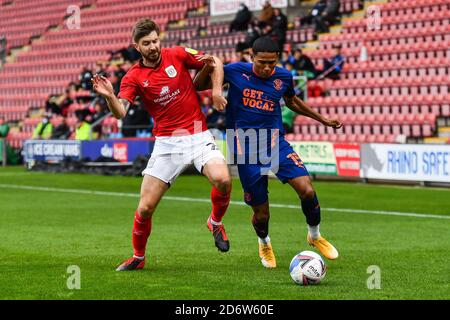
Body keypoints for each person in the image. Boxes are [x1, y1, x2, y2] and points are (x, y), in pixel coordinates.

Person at [91, 18, 232, 271]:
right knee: (145, 208)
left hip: (198, 134)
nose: (153, 46)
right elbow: (120, 113)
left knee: (223, 179)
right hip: (167, 143)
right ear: (137, 46)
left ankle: (215, 222)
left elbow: (214, 62)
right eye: (146, 43)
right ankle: (138, 257)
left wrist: (217, 90)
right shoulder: (133, 77)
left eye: (155, 40)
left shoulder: (177, 54)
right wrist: (110, 97)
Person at [194, 36, 342, 268]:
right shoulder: (235, 71)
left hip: (275, 142)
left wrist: (322, 119)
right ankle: (264, 242)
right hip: (244, 146)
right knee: (261, 212)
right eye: (262, 62)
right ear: (252, 57)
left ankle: (314, 236)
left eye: (271, 63)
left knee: (306, 188)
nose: (266, 68)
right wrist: (208, 70)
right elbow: (198, 85)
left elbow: (291, 101)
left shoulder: (283, 76)